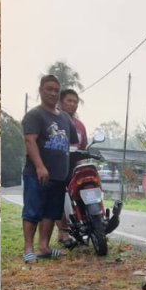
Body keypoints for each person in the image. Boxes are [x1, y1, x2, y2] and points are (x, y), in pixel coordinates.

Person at [21, 75, 76, 264]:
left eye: (56, 90)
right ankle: (28, 249)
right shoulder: (35, 115)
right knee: (33, 210)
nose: (53, 93)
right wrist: (40, 166)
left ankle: (43, 247)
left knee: (51, 212)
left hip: (59, 175)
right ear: (40, 90)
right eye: (49, 89)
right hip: (37, 173)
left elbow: (74, 143)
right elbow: (30, 140)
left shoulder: (66, 118)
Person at [56, 87, 86, 246]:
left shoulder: (80, 126)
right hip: (58, 167)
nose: (72, 104)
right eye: (69, 100)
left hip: (76, 168)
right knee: (60, 199)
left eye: (75, 102)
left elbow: (84, 147)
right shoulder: (54, 121)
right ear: (61, 102)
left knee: (79, 197)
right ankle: (63, 233)